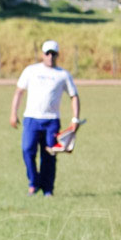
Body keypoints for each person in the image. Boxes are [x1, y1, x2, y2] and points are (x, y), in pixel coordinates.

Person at [9, 40, 81, 197]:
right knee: (27, 150)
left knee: (49, 155)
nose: (50, 56)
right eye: (47, 53)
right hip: (31, 119)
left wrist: (75, 119)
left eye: (53, 53)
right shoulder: (31, 71)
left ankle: (48, 189)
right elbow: (19, 92)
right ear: (42, 54)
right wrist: (13, 113)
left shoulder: (63, 75)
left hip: (51, 121)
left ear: (57, 55)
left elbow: (74, 96)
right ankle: (33, 183)